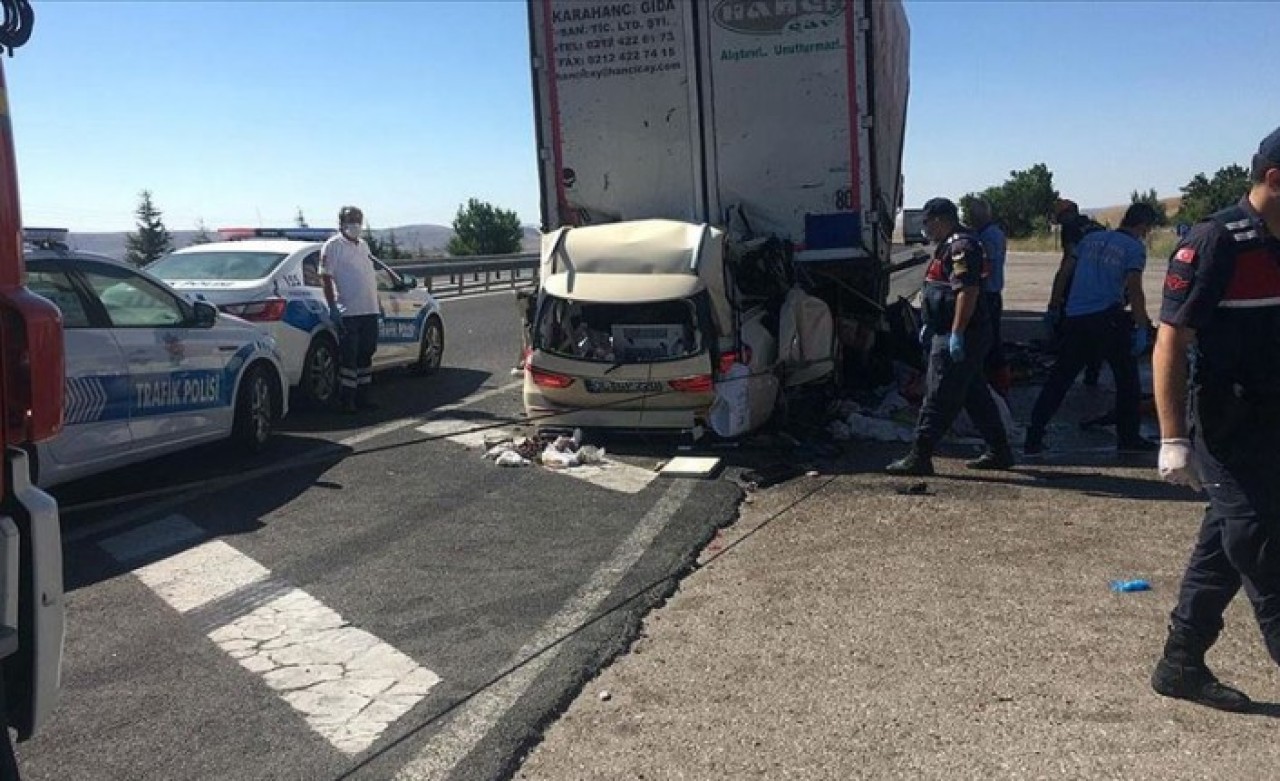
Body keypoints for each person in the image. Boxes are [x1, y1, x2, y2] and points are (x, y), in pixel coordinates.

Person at [1150, 126, 1280, 712]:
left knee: (1224, 539)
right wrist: (1174, 437)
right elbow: (1171, 342)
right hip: (1226, 424)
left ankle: (1181, 661)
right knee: (1261, 541)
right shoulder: (1216, 241)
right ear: (1275, 179)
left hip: (1274, 419)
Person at [886, 197, 1015, 475]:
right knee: (974, 393)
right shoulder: (949, 245)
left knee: (938, 393)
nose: (925, 229)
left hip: (961, 334)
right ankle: (999, 450)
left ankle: (919, 456)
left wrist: (956, 332)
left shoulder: (961, 247)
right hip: (949, 329)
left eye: (927, 222)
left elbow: (967, 293)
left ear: (940, 219)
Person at [1023, 204, 1159, 454]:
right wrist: (1142, 326)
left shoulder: (1090, 239)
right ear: (1143, 226)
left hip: (1075, 317)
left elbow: (1065, 271)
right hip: (1108, 317)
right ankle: (1128, 439)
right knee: (1127, 381)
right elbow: (1135, 289)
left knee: (1059, 379)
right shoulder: (1134, 248)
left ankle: (1033, 435)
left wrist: (1054, 306)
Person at [320, 206, 381, 413]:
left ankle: (364, 396)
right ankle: (347, 400)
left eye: (358, 219)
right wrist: (332, 307)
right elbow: (326, 277)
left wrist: (377, 304)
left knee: (366, 354)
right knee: (349, 357)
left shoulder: (363, 246)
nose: (356, 223)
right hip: (349, 312)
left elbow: (369, 276)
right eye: (351, 219)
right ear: (341, 222)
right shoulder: (333, 246)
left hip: (369, 310)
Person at [1048, 199, 1107, 386]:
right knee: (1098, 330)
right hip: (1103, 283)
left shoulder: (1070, 227)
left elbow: (1069, 262)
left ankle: (1063, 375)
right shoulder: (1095, 226)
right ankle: (1093, 372)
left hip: (1079, 282)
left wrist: (1054, 301)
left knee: (1069, 330)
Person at [967, 198, 1011, 396]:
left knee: (990, 339)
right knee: (990, 338)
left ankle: (998, 379)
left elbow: (987, 267)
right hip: (990, 292)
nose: (972, 218)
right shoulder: (986, 233)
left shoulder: (990, 236)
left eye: (974, 214)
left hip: (989, 293)